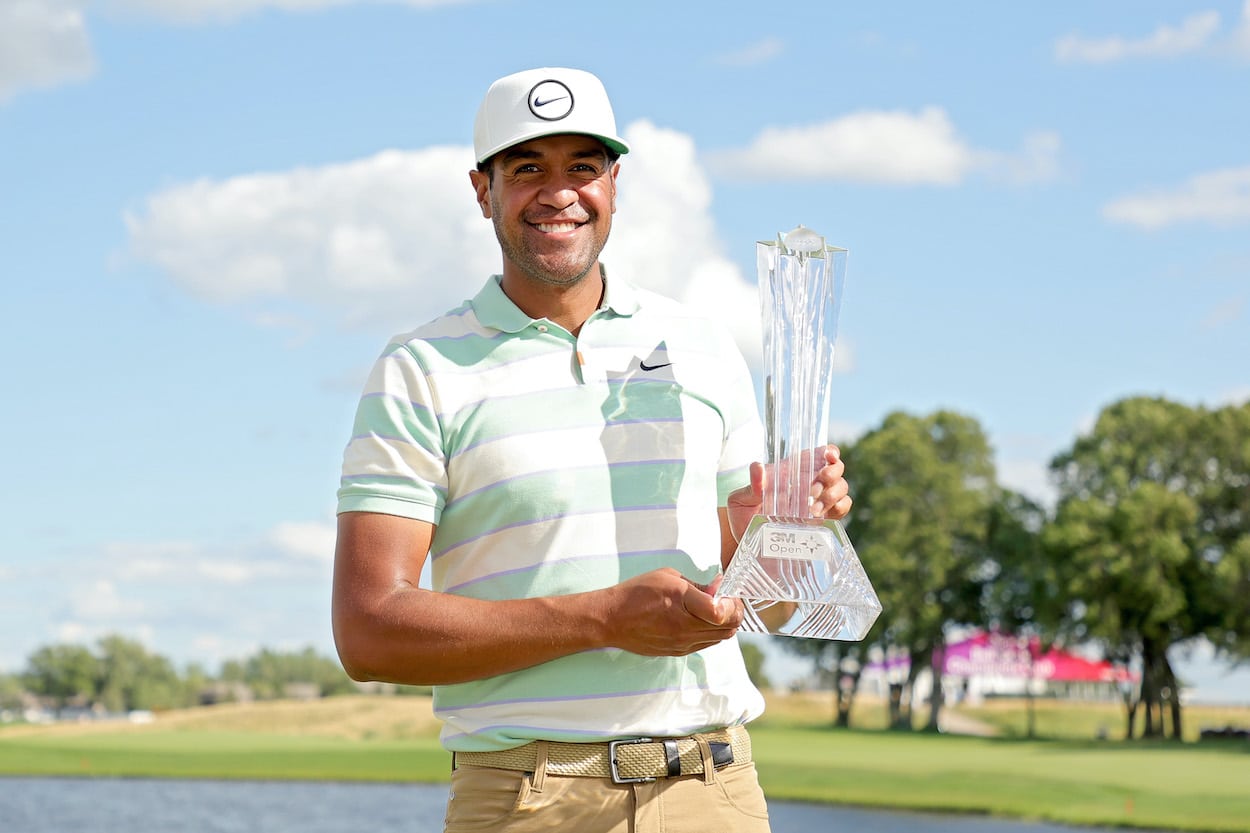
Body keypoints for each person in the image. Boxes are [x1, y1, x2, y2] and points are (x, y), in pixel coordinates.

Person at [331, 66, 853, 833]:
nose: (559, 192)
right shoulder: (420, 367)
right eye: (527, 168)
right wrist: (601, 620)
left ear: (616, 181)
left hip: (710, 791)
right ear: (483, 191)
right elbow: (369, 629)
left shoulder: (702, 346)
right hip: (524, 800)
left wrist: (778, 529)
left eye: (583, 165)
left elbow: (766, 603)